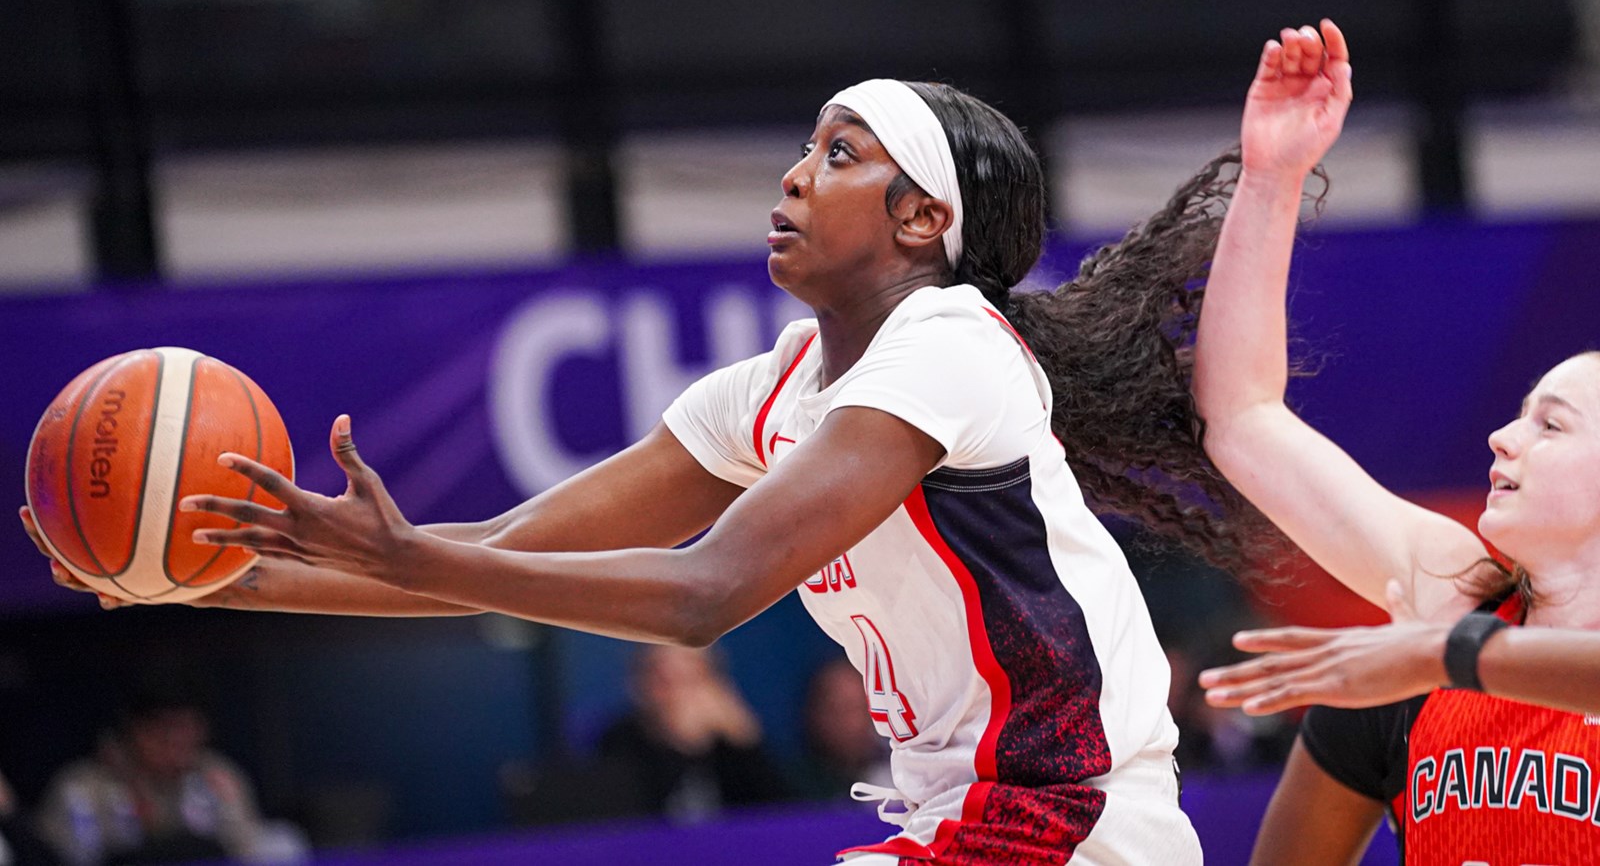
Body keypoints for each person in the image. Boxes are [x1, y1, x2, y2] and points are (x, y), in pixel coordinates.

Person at [25, 60, 1284, 863]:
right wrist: (209, 579)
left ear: (922, 221)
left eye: (841, 155)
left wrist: (400, 549)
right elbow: (496, 562)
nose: (794, 174)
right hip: (961, 825)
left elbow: (703, 593)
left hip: (1067, 821)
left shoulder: (951, 344)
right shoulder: (772, 389)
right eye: (806, 145)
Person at [1189, 19, 1600, 864]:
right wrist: (1272, 176)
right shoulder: (1457, 591)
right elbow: (1241, 415)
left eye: (1550, 423)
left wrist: (1441, 652)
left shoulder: (1447, 634)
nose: (1503, 436)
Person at [33, 689, 307, 866]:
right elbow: (59, 855)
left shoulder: (217, 773)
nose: (176, 741)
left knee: (285, 840)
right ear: (133, 731)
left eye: (187, 729)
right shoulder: (83, 784)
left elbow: (246, 845)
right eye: (163, 730)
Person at [597, 645, 791, 822]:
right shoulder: (620, 740)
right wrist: (680, 747)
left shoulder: (732, 742)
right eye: (663, 679)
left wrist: (746, 743)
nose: (678, 693)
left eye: (690, 677)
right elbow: (627, 819)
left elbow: (783, 816)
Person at [793, 658, 893, 801]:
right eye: (837, 708)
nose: (850, 721)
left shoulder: (901, 776)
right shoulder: (794, 785)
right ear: (815, 713)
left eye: (858, 708)